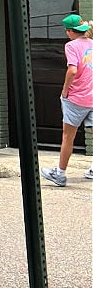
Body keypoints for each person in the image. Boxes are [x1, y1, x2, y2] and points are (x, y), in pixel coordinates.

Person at [43, 13, 93, 188]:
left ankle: (60, 174)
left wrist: (65, 91)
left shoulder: (71, 46)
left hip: (77, 98)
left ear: (71, 31)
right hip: (92, 97)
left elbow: (72, 71)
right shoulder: (92, 44)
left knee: (68, 136)